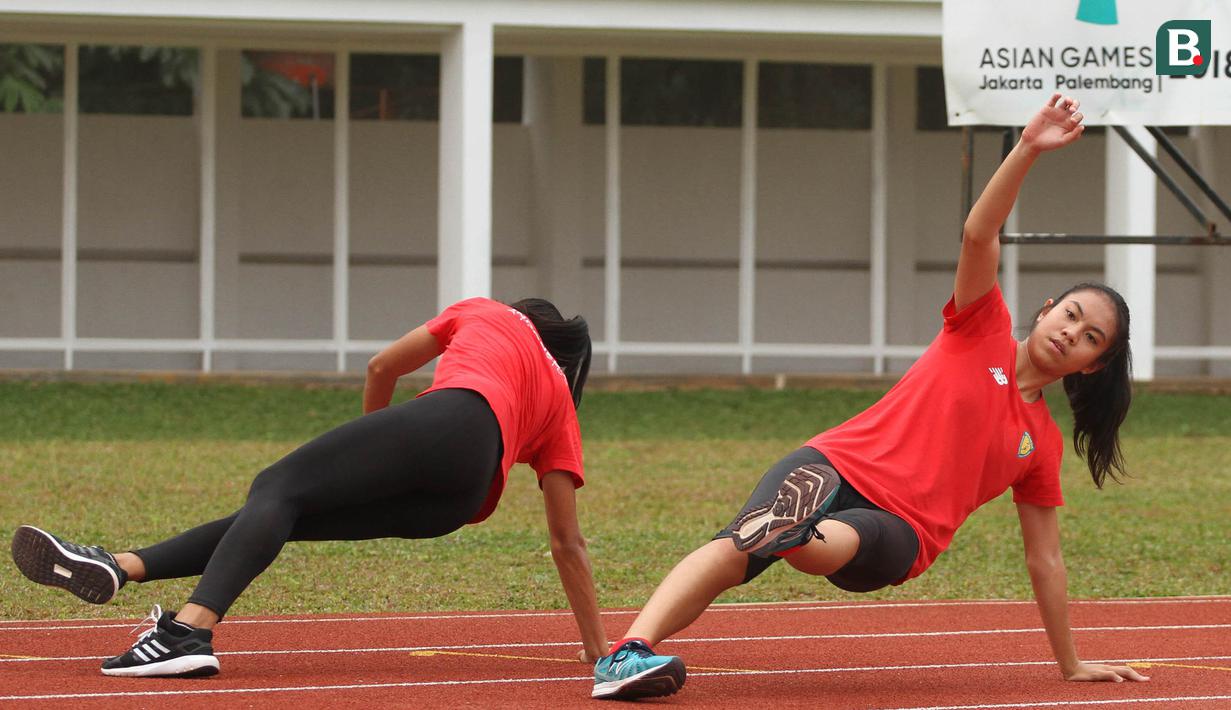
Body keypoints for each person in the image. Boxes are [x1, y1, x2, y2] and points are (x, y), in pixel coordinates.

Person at [589, 94, 1150, 700]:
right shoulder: (980, 324)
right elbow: (978, 231)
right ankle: (627, 655)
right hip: (835, 463)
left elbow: (1046, 561)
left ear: (1093, 367)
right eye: (1070, 314)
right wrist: (1028, 147)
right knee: (739, 546)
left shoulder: (1039, 444)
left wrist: (1071, 662)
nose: (1071, 332)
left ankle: (798, 530)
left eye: (1090, 337)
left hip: (900, 531)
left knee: (816, 536)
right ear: (1046, 309)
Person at [11, 296, 607, 678]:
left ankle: (190, 630)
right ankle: (119, 566)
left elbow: (382, 367)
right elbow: (567, 543)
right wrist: (597, 649)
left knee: (277, 484)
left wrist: (378, 436)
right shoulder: (560, 406)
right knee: (285, 510)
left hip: (448, 420)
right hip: (459, 500)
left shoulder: (489, 311)